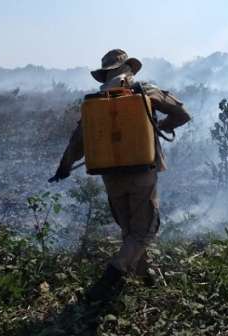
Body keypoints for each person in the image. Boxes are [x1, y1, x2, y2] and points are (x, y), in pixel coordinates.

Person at [50, 49, 191, 300]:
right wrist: (158, 127)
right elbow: (182, 114)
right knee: (145, 231)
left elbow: (78, 142)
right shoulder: (144, 90)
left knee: (130, 230)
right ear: (128, 69)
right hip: (141, 172)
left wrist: (63, 168)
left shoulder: (97, 100)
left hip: (110, 176)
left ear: (106, 73)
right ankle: (109, 279)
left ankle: (146, 278)